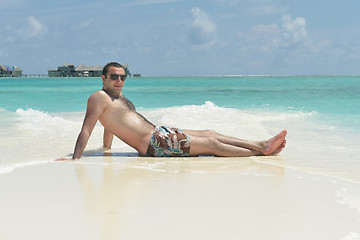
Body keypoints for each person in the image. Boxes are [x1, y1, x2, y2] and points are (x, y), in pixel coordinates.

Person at [66, 62, 287, 160]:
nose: (119, 80)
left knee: (210, 133)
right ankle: (261, 150)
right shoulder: (98, 97)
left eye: (123, 76)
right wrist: (76, 158)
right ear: (103, 78)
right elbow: (87, 129)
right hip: (154, 145)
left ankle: (260, 145)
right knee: (211, 145)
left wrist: (107, 148)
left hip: (159, 134)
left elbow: (111, 123)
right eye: (114, 76)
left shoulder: (117, 97)